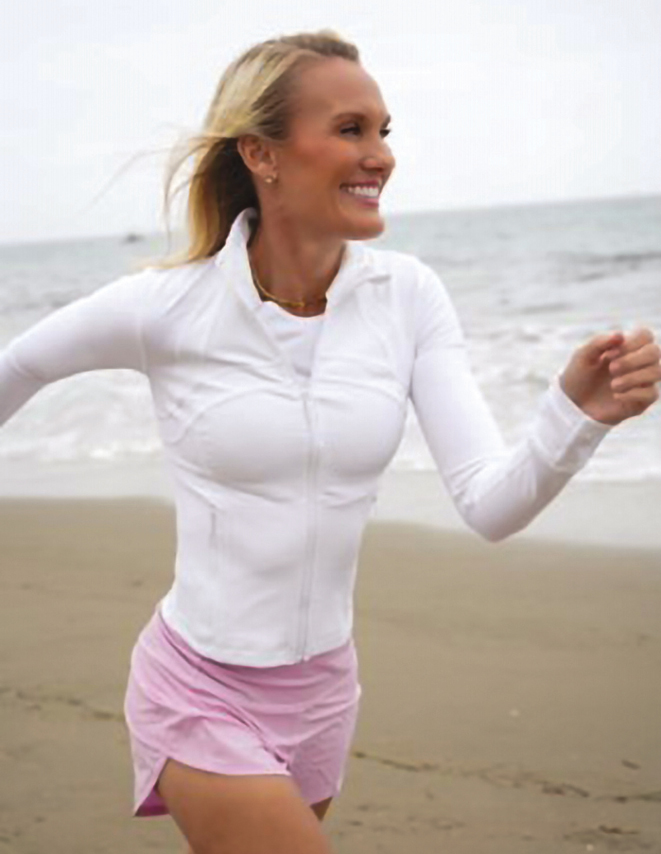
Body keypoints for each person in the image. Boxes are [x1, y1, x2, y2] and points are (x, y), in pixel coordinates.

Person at [0, 29, 659, 854]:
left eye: (384, 131)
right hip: (198, 685)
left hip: (322, 693)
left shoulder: (408, 298)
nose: (378, 155)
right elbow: (18, 364)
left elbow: (490, 506)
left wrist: (575, 415)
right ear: (262, 154)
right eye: (350, 129)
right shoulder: (166, 307)